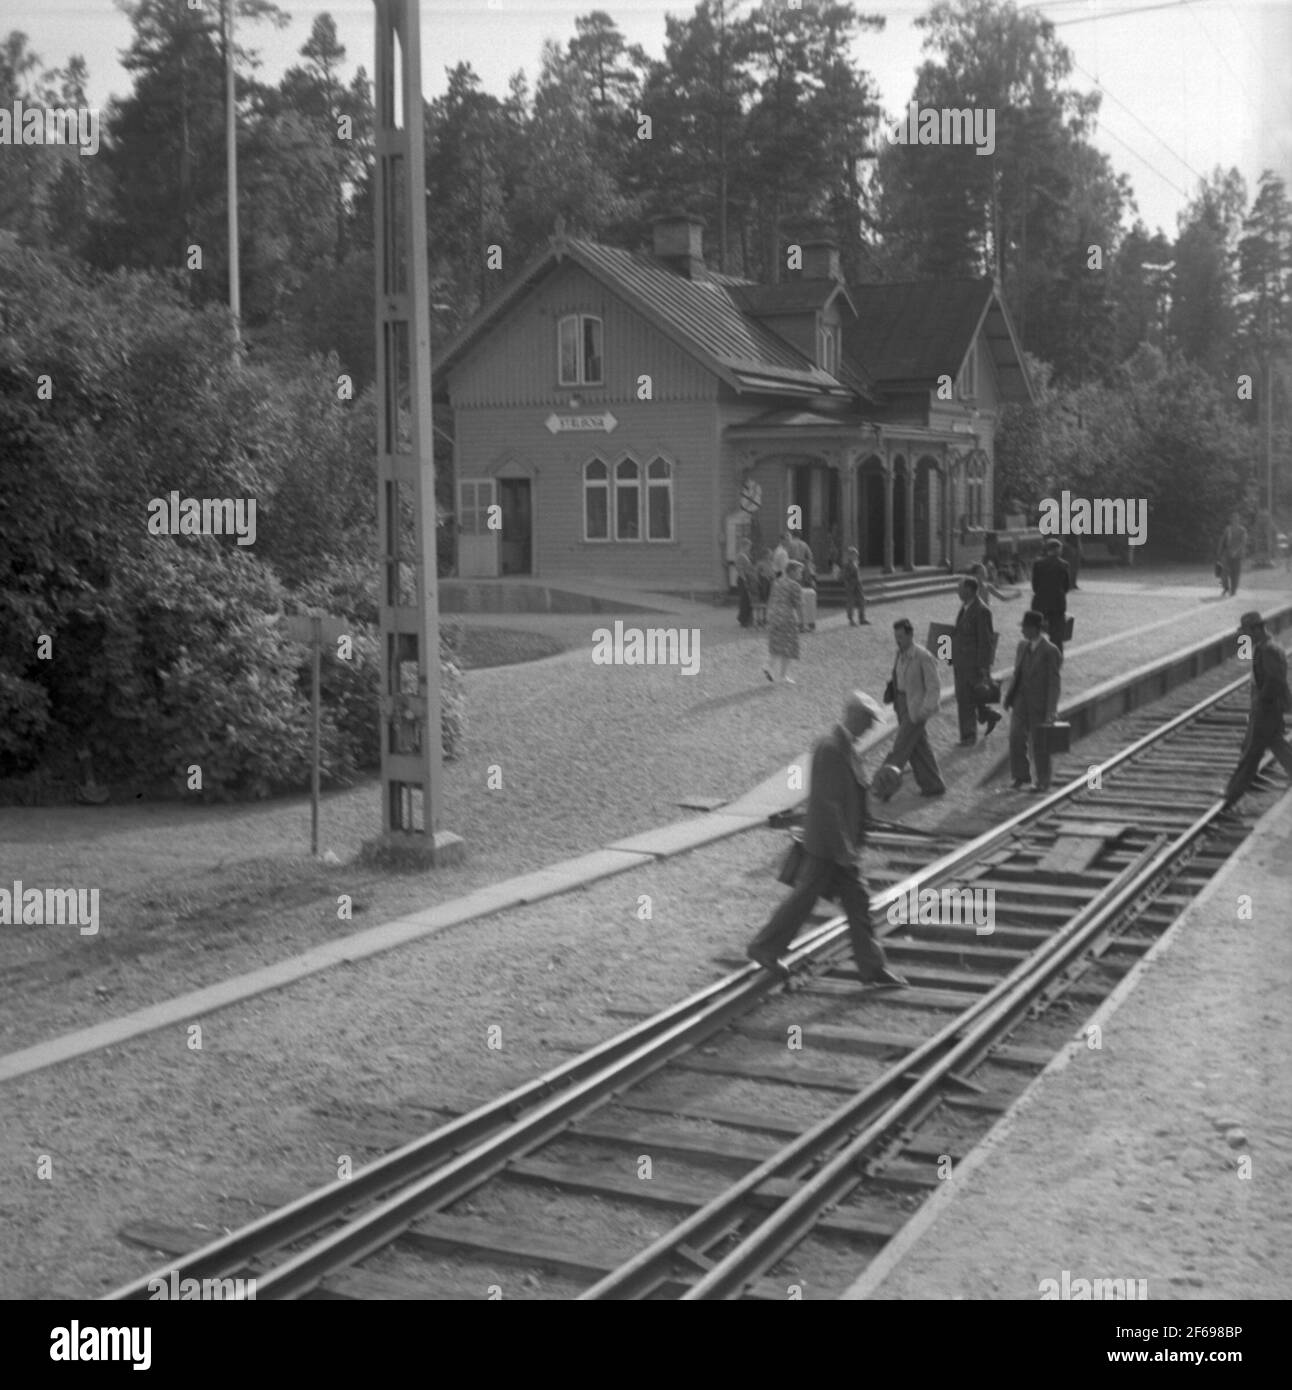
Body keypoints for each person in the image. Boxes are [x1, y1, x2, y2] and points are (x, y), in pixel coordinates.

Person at [747, 691, 907, 988]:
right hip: (830, 847)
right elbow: (828, 804)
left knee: (853, 902)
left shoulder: (842, 746)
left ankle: (872, 968)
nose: (870, 728)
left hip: (836, 846)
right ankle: (764, 947)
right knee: (805, 900)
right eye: (867, 721)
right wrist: (844, 849)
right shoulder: (832, 748)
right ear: (855, 717)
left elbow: (847, 795)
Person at [1222, 611, 1292, 809]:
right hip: (1268, 708)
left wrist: (1262, 703)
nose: (1245, 636)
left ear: (1256, 629)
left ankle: (1232, 794)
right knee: (1277, 744)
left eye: (1246, 631)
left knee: (1251, 752)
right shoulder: (1265, 646)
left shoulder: (1269, 649)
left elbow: (1274, 680)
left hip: (1266, 709)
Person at [885, 618, 947, 796]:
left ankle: (882, 788)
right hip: (902, 705)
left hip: (915, 708)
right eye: (896, 637)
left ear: (911, 635)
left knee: (900, 747)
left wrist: (924, 712)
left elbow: (933, 686)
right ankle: (933, 785)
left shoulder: (923, 656)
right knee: (919, 748)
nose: (898, 641)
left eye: (901, 637)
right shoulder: (899, 654)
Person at [1005, 610, 1063, 792]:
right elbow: (1018, 673)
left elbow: (1054, 682)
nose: (1022, 631)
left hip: (1039, 703)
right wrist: (1009, 695)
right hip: (1021, 700)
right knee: (1015, 736)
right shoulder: (1022, 646)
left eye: (1025, 628)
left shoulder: (1050, 651)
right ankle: (1020, 776)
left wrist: (1051, 709)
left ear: (1035, 629)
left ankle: (1043, 780)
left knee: (1040, 742)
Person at [951, 576, 999, 745]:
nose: (958, 592)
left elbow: (986, 641)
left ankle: (969, 736)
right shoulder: (965, 607)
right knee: (964, 698)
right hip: (960, 662)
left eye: (960, 589)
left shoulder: (981, 611)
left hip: (972, 664)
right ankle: (985, 717)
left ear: (969, 590)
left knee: (967, 700)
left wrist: (983, 668)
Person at [764, 560, 804, 683]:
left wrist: (768, 614)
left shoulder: (777, 582)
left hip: (774, 615)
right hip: (787, 617)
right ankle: (783, 675)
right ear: (791, 571)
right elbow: (798, 605)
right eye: (799, 572)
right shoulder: (795, 586)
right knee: (789, 646)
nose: (800, 575)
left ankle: (768, 666)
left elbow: (770, 599)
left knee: (776, 643)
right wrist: (802, 621)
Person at [1031, 537, 1071, 655]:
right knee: (1056, 635)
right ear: (1058, 550)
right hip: (1057, 604)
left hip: (1040, 603)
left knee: (1036, 632)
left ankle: (1035, 656)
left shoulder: (1038, 564)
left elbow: (1035, 585)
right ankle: (1056, 657)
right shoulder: (1064, 565)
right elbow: (1066, 586)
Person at [1216, 513, 1248, 597]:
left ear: (1238, 520)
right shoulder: (1228, 529)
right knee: (1224, 572)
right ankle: (1226, 587)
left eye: (1236, 519)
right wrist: (1219, 551)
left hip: (1238, 554)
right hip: (1227, 553)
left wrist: (1236, 551)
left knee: (1235, 573)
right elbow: (1223, 540)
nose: (1234, 521)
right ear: (1231, 520)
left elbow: (1243, 542)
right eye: (1233, 519)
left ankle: (1233, 590)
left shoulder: (1242, 530)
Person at [842, 545, 868, 625]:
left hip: (858, 585)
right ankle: (851, 619)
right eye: (855, 555)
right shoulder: (847, 565)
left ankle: (862, 618)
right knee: (851, 603)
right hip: (851, 586)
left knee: (862, 600)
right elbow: (846, 576)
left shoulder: (856, 563)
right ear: (850, 555)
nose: (856, 556)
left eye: (856, 555)